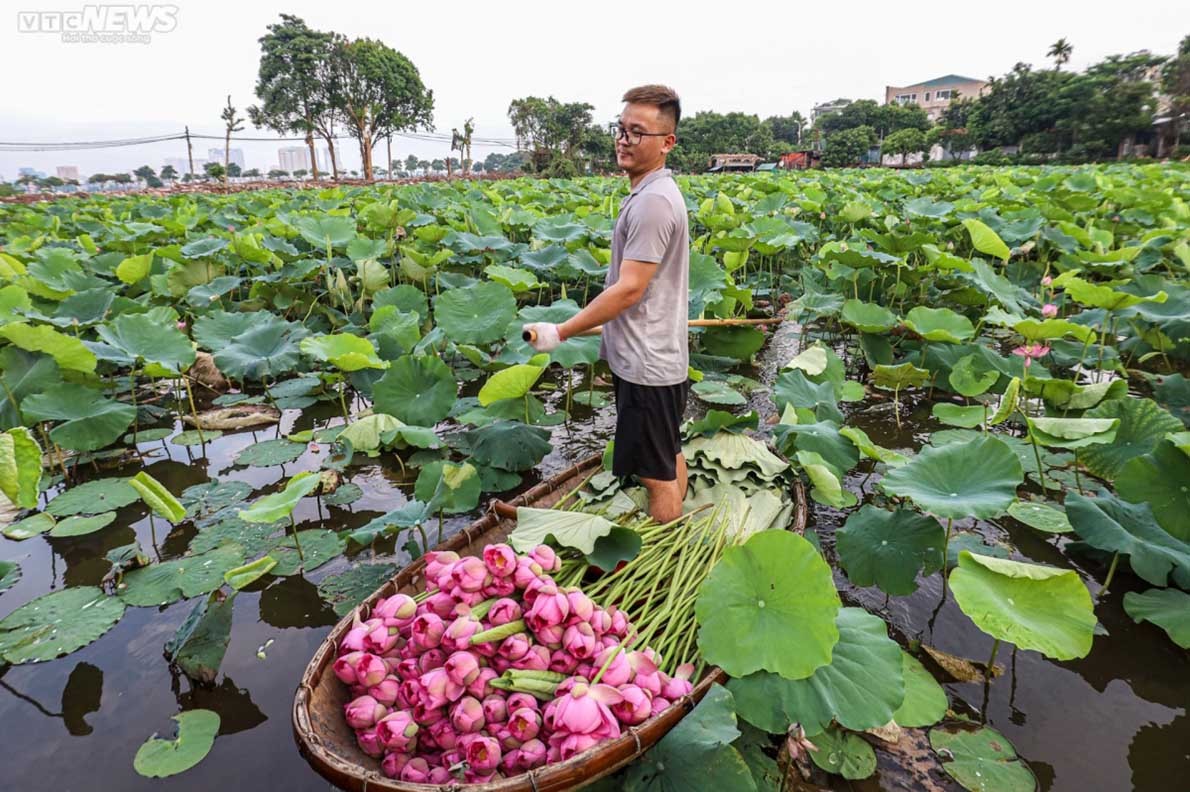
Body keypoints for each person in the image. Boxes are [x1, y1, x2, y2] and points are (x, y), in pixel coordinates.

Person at [522, 84, 690, 522]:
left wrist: (560, 332)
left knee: (655, 475)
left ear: (667, 143)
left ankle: (665, 560)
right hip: (659, 356)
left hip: (646, 365)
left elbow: (630, 289)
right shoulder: (652, 193)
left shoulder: (653, 202)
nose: (623, 140)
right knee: (667, 453)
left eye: (638, 133)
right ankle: (677, 529)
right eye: (621, 129)